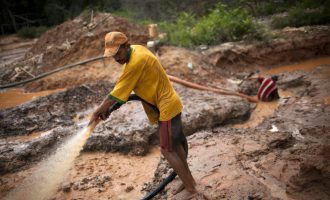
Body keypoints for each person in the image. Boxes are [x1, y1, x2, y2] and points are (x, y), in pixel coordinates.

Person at [89, 32, 198, 197]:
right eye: (112, 56)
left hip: (166, 108)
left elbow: (116, 93)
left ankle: (191, 189)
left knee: (166, 150)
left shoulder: (135, 62)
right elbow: (129, 89)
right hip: (167, 104)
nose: (116, 58)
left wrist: (97, 112)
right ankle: (188, 181)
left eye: (118, 53)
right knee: (175, 145)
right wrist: (113, 105)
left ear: (126, 46)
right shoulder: (138, 50)